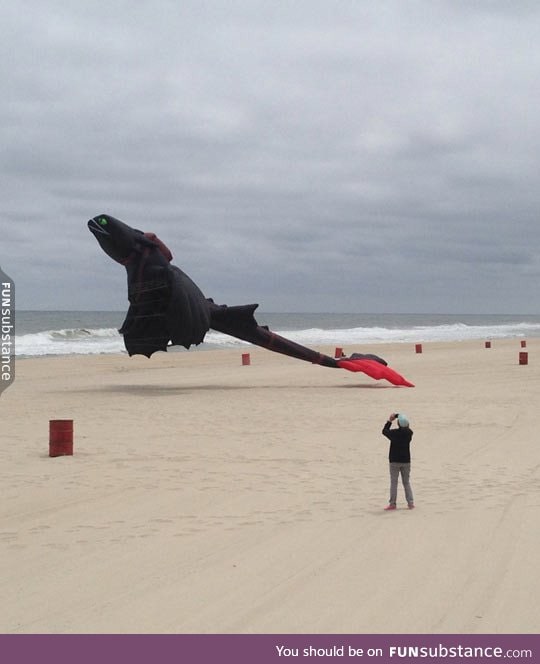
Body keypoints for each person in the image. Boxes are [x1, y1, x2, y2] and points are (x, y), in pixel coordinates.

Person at [381, 413, 414, 510]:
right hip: (406, 461)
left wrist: (390, 420)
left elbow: (384, 431)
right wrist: (399, 416)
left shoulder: (394, 433)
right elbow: (407, 428)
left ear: (398, 424)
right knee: (406, 482)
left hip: (394, 461)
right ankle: (410, 503)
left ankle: (393, 504)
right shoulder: (409, 433)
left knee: (394, 483)